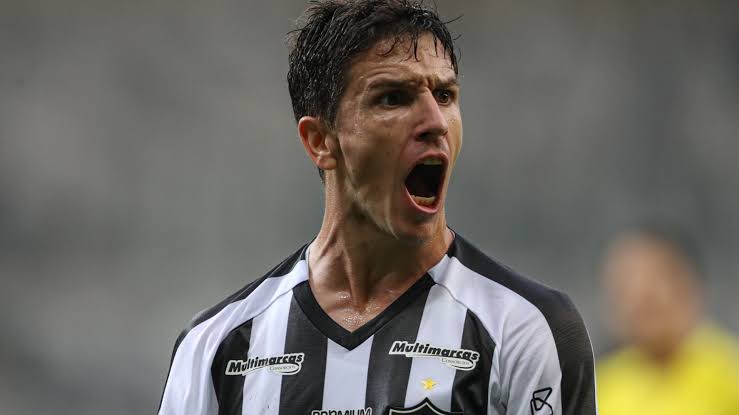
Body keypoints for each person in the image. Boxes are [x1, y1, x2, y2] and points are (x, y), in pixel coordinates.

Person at [158, 1, 597, 414]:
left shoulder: (524, 330)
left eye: (445, 95)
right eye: (393, 98)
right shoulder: (216, 345)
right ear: (320, 140)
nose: (435, 122)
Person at [597, 224, 739, 415]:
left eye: (655, 279)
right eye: (625, 285)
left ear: (690, 285)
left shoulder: (730, 372)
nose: (639, 296)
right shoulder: (601, 387)